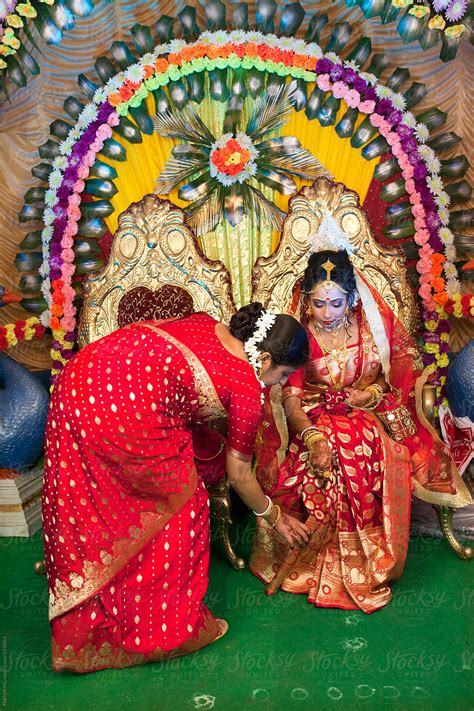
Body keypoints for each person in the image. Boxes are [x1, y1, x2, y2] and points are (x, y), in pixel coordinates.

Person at [42, 304, 311, 673]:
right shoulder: (248, 384)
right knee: (185, 506)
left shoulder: (209, 324)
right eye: (283, 375)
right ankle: (161, 631)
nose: (280, 384)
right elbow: (240, 476)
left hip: (79, 382)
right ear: (263, 359)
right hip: (121, 413)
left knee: (101, 497)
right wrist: (275, 515)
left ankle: (93, 586)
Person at [250, 246, 471, 613]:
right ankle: (325, 556)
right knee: (331, 450)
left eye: (336, 303)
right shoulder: (299, 335)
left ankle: (370, 556)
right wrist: (312, 434)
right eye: (319, 303)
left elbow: (390, 380)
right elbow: (290, 398)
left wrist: (368, 394)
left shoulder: (372, 325)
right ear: (307, 299)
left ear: (351, 297)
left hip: (364, 412)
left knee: (373, 446)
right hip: (314, 417)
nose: (327, 313)